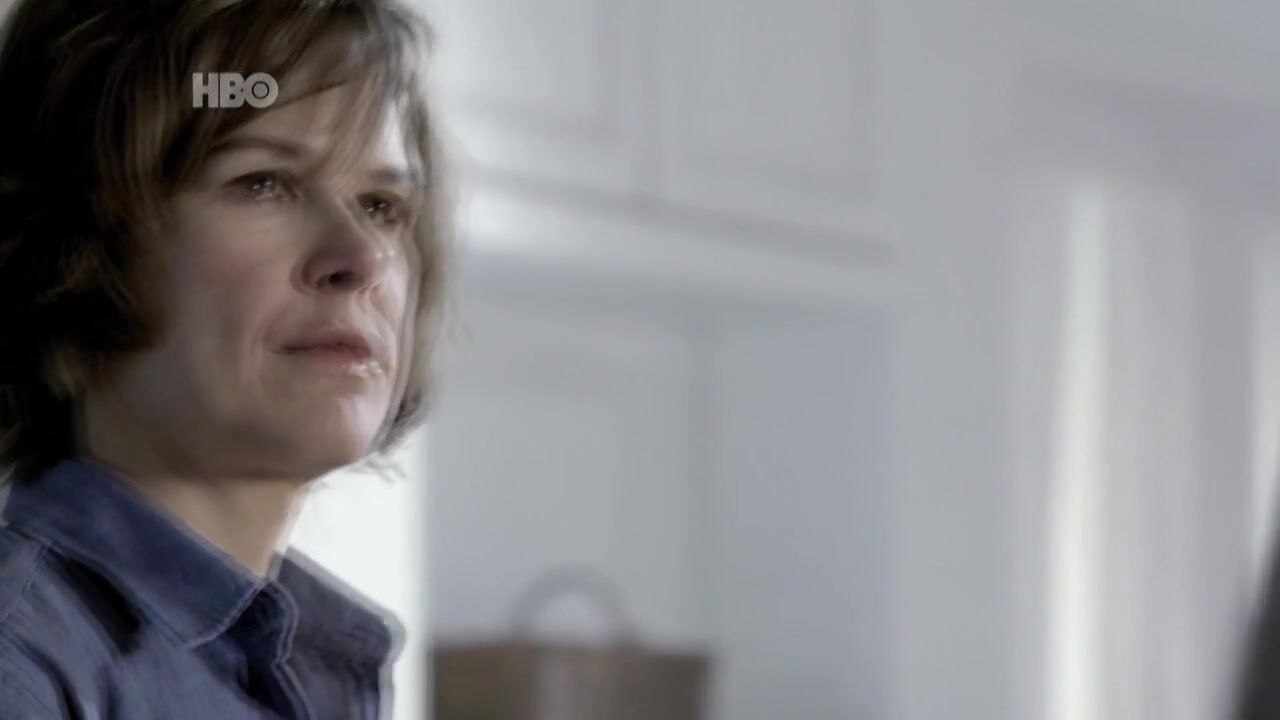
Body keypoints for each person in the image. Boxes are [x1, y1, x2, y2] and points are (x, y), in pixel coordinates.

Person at [0, 0, 450, 717]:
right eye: (261, 183)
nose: (363, 258)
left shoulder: (326, 663)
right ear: (70, 244)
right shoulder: (22, 667)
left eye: (380, 204)